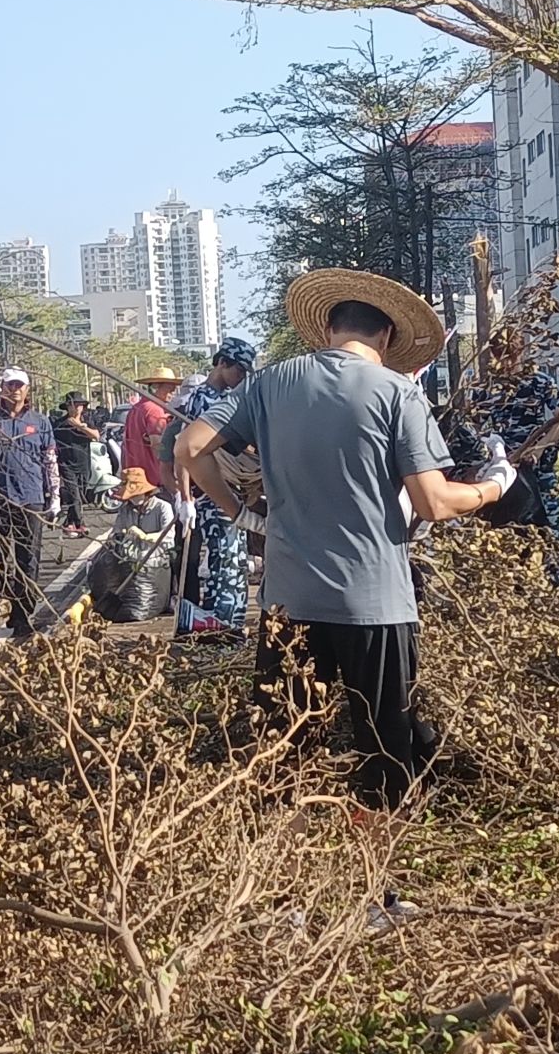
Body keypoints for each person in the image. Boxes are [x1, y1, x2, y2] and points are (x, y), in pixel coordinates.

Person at [176, 270, 514, 808]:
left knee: (286, 751)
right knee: (385, 749)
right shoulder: (398, 393)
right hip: (373, 602)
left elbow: (189, 449)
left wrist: (239, 513)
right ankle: (378, 852)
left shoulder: (269, 383)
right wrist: (494, 486)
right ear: (387, 336)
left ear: (328, 329)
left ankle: (287, 849)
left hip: (288, 601)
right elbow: (433, 502)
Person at [466, 329, 559, 587]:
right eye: (499, 356)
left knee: (551, 528)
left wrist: (540, 447)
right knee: (510, 530)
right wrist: (492, 450)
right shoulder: (486, 389)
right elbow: (474, 429)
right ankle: (516, 588)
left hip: (538, 468)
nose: (505, 363)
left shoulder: (540, 382)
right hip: (505, 472)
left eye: (510, 356)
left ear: (521, 352)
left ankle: (556, 586)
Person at [0, 367, 59, 636]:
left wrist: (55, 497)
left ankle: (22, 613)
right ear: (2, 388)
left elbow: (50, 461)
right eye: (10, 385)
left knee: (28, 558)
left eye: (20, 385)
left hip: (31, 499)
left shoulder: (40, 422)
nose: (15, 390)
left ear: (27, 389)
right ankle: (11, 598)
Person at [178, 337, 258, 635]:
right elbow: (190, 448)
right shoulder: (204, 399)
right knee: (223, 560)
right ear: (223, 363)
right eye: (239, 370)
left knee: (235, 561)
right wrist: (185, 497)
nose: (241, 377)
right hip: (214, 490)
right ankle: (220, 625)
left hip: (233, 488)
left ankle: (230, 623)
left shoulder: (226, 397)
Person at [87, 466, 177, 622]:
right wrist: (119, 537)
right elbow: (116, 533)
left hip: (154, 557)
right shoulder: (125, 510)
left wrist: (145, 536)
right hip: (129, 558)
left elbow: (168, 536)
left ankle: (169, 599)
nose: (132, 500)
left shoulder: (162, 507)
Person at [123, 366, 180, 493]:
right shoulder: (155, 410)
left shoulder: (136, 408)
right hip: (154, 479)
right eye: (169, 388)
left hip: (136, 477)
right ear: (156, 387)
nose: (173, 392)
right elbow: (157, 444)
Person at [54, 392, 98, 537]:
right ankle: (80, 524)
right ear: (68, 407)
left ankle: (69, 523)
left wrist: (80, 426)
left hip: (83, 463)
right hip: (66, 464)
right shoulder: (60, 424)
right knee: (75, 496)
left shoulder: (87, 421)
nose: (77, 408)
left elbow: (96, 435)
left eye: (80, 405)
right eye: (74, 405)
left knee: (82, 494)